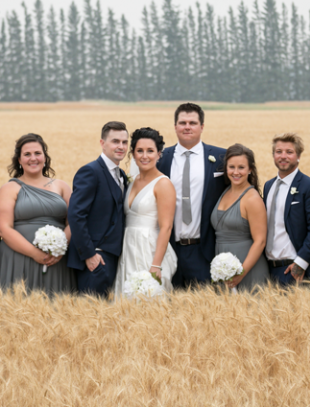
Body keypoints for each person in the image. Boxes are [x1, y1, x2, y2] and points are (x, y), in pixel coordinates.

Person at [0, 133, 76, 294]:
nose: (33, 158)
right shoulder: (9, 188)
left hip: (57, 259)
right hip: (19, 258)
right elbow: (3, 229)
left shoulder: (61, 186)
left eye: (38, 153)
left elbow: (74, 221)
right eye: (27, 154)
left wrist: (59, 249)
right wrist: (35, 253)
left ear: (45, 157)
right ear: (19, 160)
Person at [157, 103, 226, 288]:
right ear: (175, 126)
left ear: (202, 126)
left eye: (193, 123)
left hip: (204, 250)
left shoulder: (222, 158)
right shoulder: (160, 159)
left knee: (206, 303)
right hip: (169, 248)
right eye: (183, 123)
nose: (187, 127)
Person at [113, 128, 178, 297]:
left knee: (148, 298)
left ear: (159, 154)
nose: (144, 156)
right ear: (133, 154)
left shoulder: (163, 184)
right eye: (139, 151)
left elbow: (166, 227)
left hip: (149, 249)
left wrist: (156, 265)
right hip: (128, 247)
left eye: (150, 151)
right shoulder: (132, 180)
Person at [67, 121, 129, 297]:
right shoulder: (90, 171)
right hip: (95, 260)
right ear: (102, 143)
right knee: (90, 310)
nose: (121, 146)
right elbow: (76, 214)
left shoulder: (121, 175)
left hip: (114, 258)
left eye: (124, 142)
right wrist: (89, 254)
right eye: (115, 141)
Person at [262, 133, 310, 286]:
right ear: (273, 155)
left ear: (298, 156)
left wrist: (301, 263)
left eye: (289, 152)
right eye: (279, 152)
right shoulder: (268, 186)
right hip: (267, 269)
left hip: (295, 269)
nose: (283, 156)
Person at [211, 144, 270, 291]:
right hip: (223, 268)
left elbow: (260, 241)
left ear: (250, 169)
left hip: (247, 268)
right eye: (231, 167)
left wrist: (241, 273)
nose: (236, 172)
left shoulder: (252, 199)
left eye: (241, 167)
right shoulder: (225, 191)